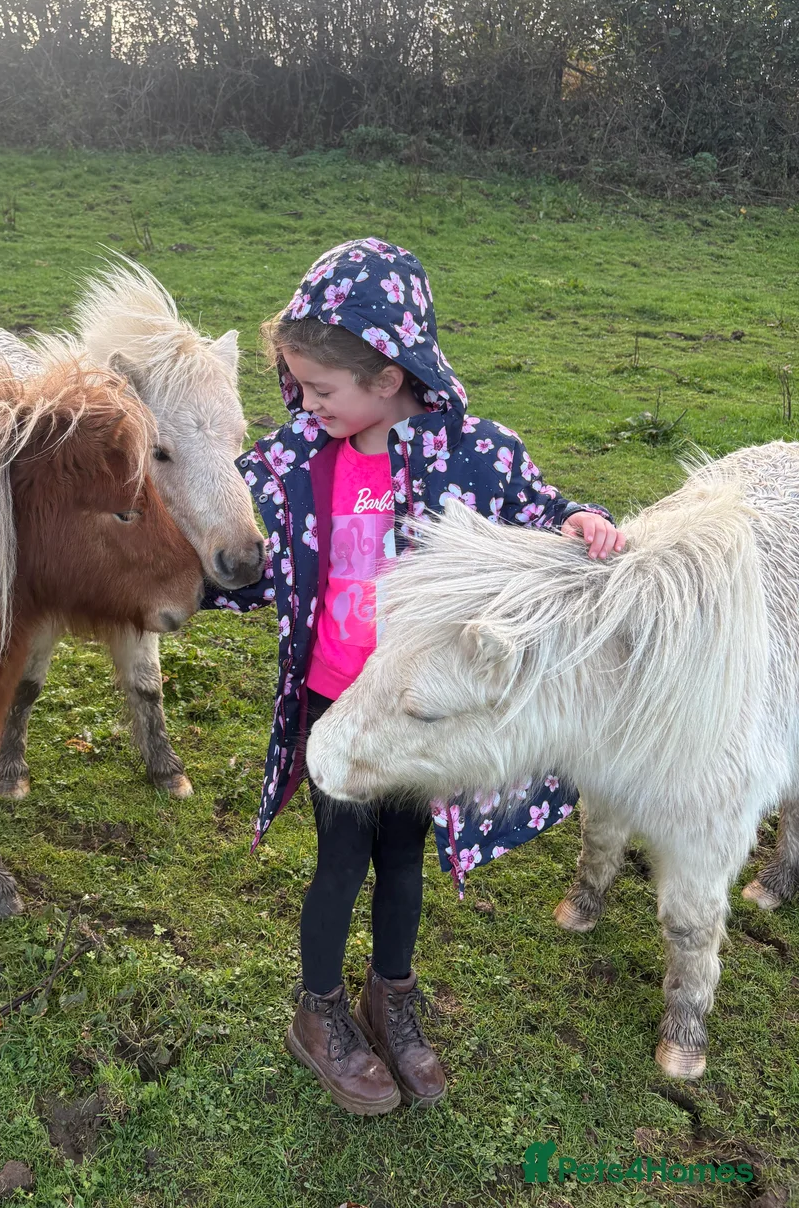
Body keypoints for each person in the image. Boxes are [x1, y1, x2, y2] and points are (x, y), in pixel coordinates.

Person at [207, 237, 624, 1115]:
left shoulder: (475, 456)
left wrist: (580, 519)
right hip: (339, 709)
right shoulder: (291, 465)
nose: (304, 403)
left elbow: (540, 511)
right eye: (299, 386)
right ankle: (317, 1011)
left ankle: (390, 998)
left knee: (404, 864)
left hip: (423, 716)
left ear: (389, 376)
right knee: (339, 863)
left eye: (321, 389)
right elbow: (227, 547)